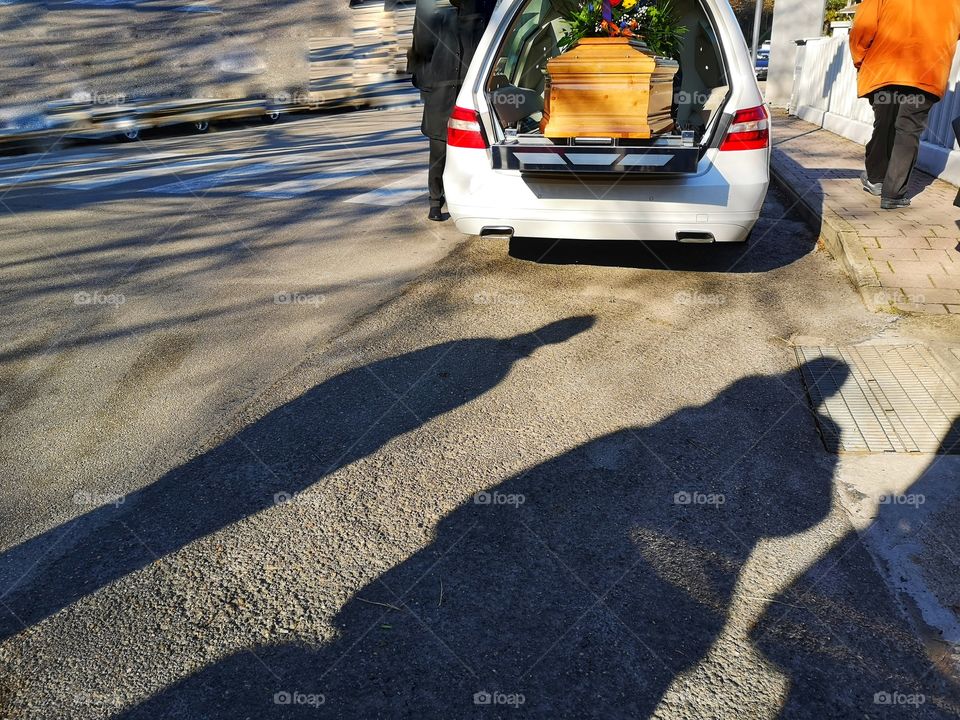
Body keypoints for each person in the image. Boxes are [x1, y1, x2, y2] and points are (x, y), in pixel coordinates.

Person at [850, 0, 960, 210]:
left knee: (884, 124)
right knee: (908, 130)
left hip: (884, 68)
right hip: (927, 72)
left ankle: (876, 178)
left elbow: (863, 27)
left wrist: (859, 58)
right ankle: (893, 193)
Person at [408, 0, 496, 221]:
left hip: (468, 84)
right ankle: (435, 202)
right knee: (439, 147)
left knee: (471, 146)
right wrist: (424, 83)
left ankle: (455, 199)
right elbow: (420, 42)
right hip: (441, 84)